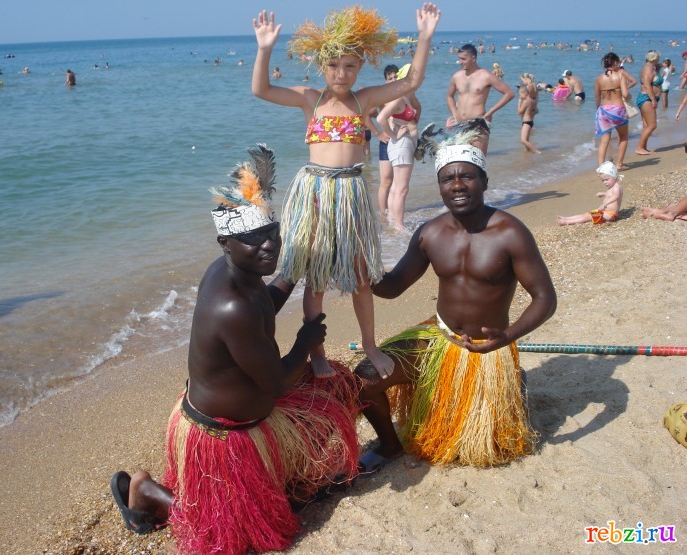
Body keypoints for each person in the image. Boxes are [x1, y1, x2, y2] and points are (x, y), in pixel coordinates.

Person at [110, 145, 361, 555]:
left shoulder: (235, 275)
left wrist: (295, 268)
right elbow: (277, 384)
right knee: (237, 532)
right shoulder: (232, 306)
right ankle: (150, 494)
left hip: (244, 419)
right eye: (253, 240)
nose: (269, 246)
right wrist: (305, 340)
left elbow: (263, 306)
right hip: (224, 436)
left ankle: (242, 484)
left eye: (272, 234)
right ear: (225, 243)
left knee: (339, 392)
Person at [252, 4, 440, 378]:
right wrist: (264, 48)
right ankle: (317, 353)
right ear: (322, 65)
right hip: (315, 192)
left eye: (350, 66)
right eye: (334, 65)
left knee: (360, 277)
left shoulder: (363, 99)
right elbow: (261, 89)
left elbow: (411, 82)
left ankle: (369, 344)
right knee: (316, 278)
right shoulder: (311, 98)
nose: (341, 73)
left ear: (360, 67)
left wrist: (424, 37)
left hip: (350, 193)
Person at [355, 142, 557, 471]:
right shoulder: (430, 233)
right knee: (364, 380)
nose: (457, 185)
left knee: (486, 450)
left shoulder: (510, 233)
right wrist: (363, 267)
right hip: (440, 337)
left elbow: (545, 299)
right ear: (440, 186)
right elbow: (392, 288)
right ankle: (390, 447)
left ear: (484, 181)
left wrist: (507, 338)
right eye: (448, 179)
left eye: (467, 176)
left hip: (488, 349)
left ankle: (512, 381)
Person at [445, 43, 515, 153]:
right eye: (459, 58)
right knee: (460, 159)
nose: (460, 62)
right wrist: (454, 114)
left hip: (478, 124)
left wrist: (490, 112)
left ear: (473, 58)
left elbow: (509, 93)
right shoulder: (457, 76)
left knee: (478, 159)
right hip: (460, 125)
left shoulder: (486, 76)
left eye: (463, 59)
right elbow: (449, 96)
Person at [376, 63, 422, 229]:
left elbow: (417, 108)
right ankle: (399, 227)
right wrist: (393, 134)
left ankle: (392, 222)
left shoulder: (406, 94)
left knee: (396, 187)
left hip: (404, 143)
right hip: (400, 144)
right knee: (401, 189)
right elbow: (380, 118)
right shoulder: (396, 98)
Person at [594, 52, 632, 170]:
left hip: (604, 110)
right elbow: (625, 94)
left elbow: (597, 98)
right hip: (618, 110)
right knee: (623, 137)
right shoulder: (620, 75)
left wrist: (598, 110)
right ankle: (619, 164)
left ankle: (601, 167)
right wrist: (629, 97)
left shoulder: (598, 79)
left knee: (604, 141)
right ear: (615, 62)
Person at [557, 161, 623, 225]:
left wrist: (605, 204)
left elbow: (616, 196)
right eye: (603, 180)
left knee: (588, 216)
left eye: (606, 179)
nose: (605, 182)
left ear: (614, 176)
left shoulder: (617, 187)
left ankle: (567, 222)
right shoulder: (612, 186)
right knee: (587, 214)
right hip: (605, 212)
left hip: (611, 214)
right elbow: (610, 195)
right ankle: (567, 218)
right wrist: (604, 194)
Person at [635, 50, 661, 155]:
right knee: (652, 125)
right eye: (658, 57)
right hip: (647, 98)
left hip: (648, 98)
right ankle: (639, 148)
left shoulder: (651, 67)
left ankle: (643, 148)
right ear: (655, 58)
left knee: (646, 126)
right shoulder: (648, 68)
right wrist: (653, 99)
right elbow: (646, 85)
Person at [517, 84, 541, 153]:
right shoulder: (533, 101)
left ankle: (537, 152)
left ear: (525, 93)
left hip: (526, 122)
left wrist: (519, 103)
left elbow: (519, 112)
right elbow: (537, 111)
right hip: (530, 121)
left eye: (520, 94)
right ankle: (528, 153)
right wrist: (531, 114)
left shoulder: (525, 102)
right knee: (526, 140)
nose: (520, 96)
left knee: (523, 140)